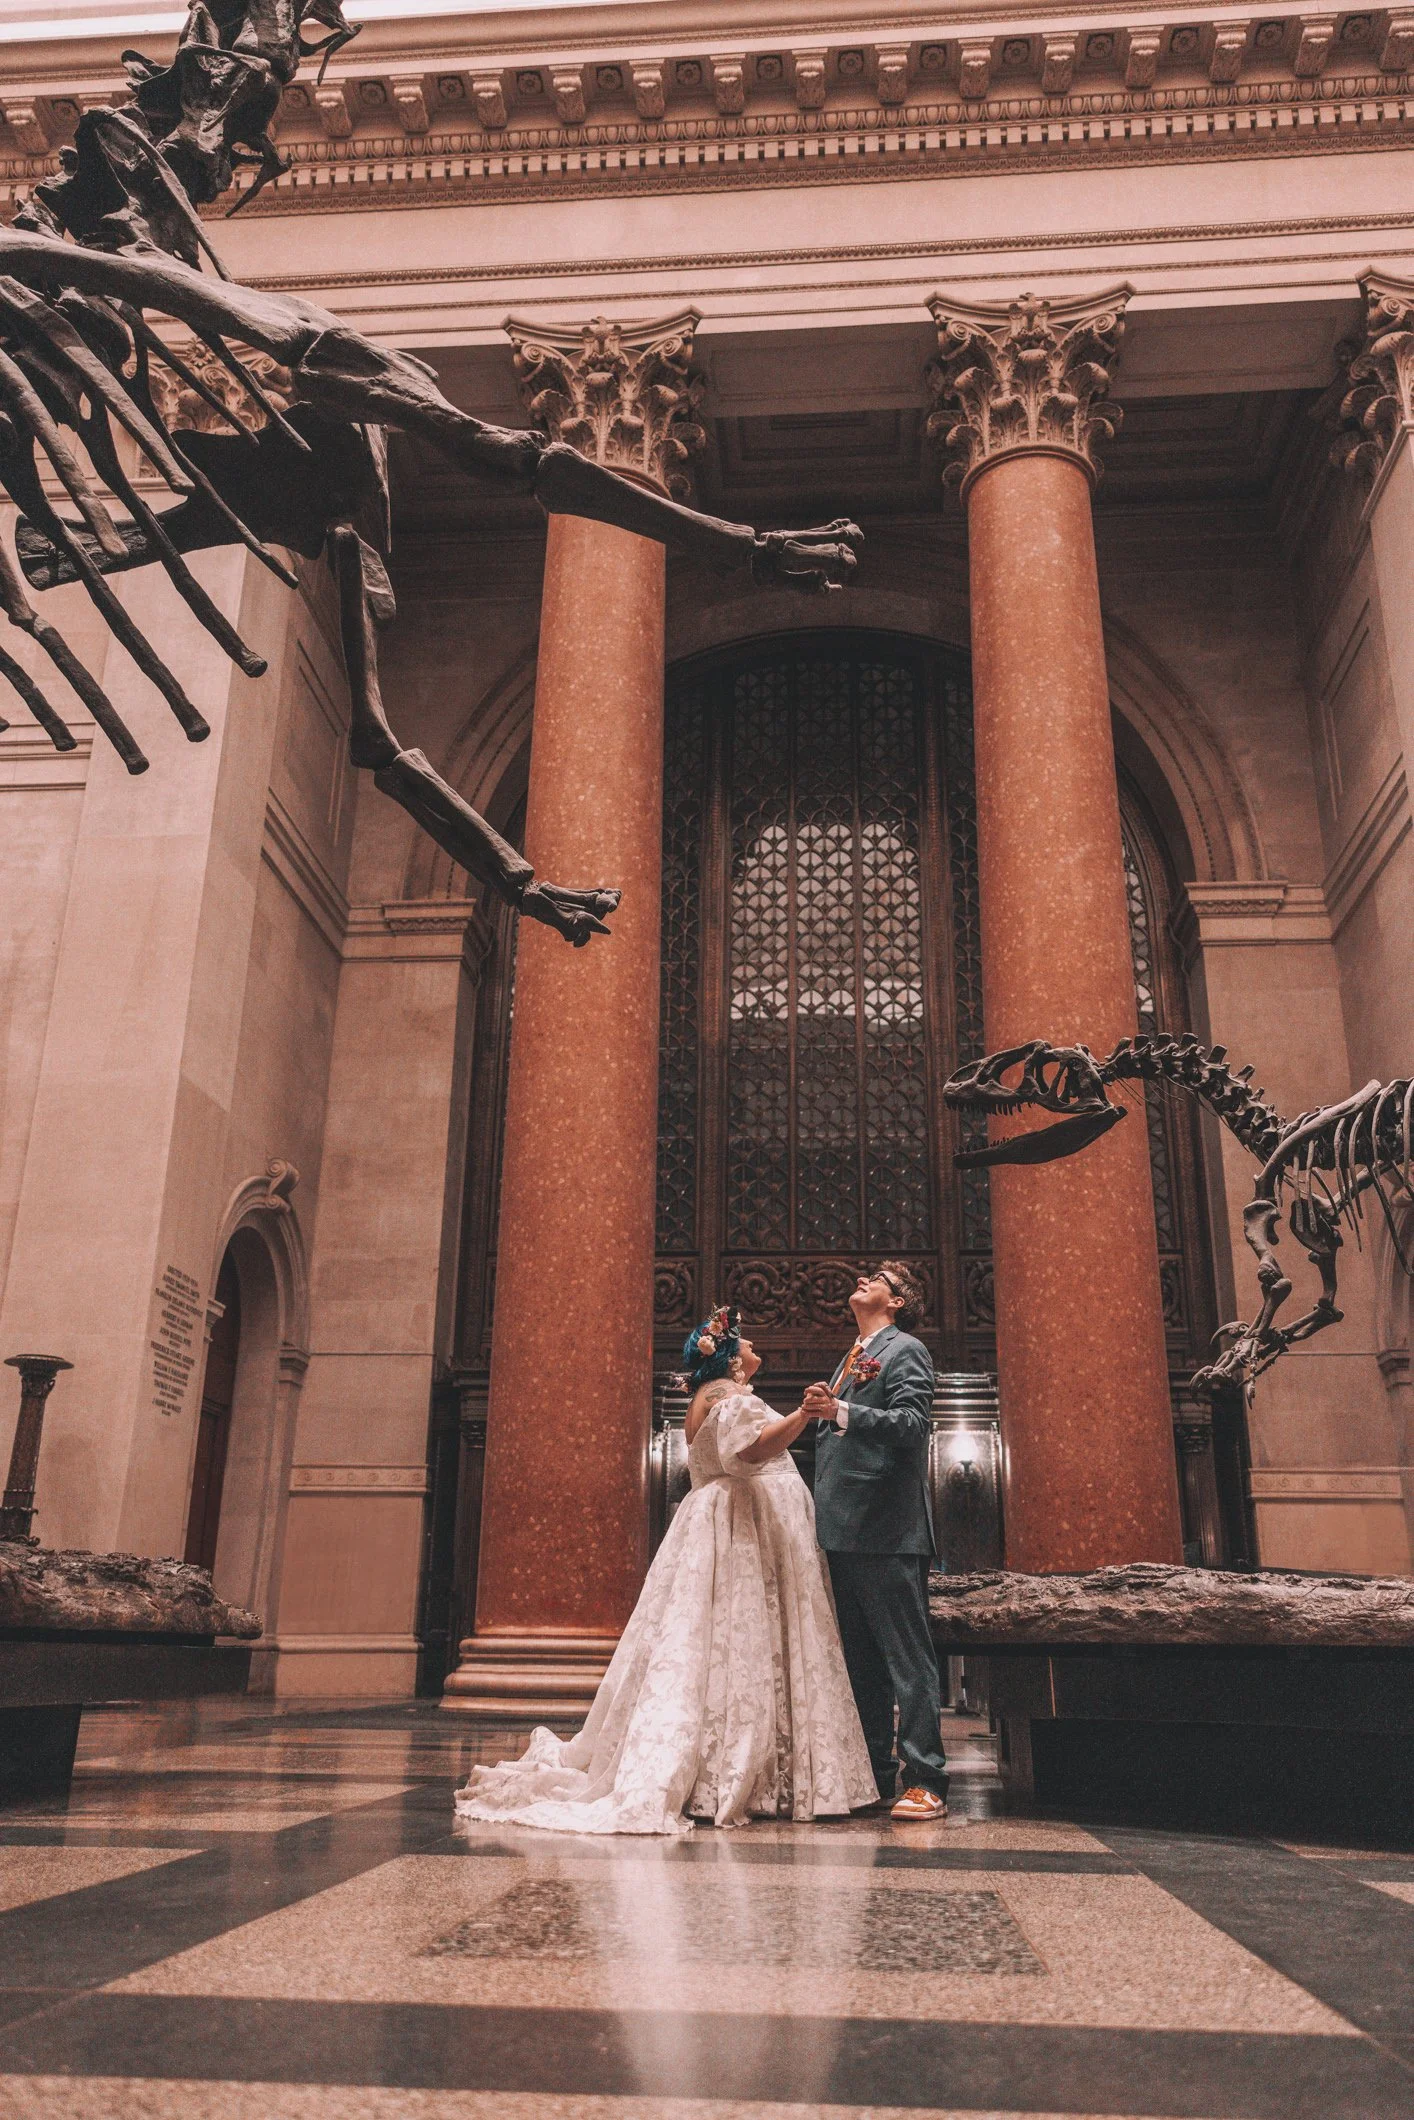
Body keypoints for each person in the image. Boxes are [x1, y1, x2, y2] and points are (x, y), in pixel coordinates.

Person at [455, 1307, 877, 1835]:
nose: (751, 1347)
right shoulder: (728, 1395)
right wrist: (802, 1418)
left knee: (711, 1645)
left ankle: (728, 1767)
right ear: (730, 1359)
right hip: (734, 1532)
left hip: (723, 1524)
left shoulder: (711, 1397)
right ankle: (724, 1770)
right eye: (743, 1342)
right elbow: (749, 1450)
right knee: (733, 1640)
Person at [806, 1262, 950, 1821]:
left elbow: (913, 1424)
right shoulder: (853, 1354)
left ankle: (927, 1779)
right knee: (862, 1665)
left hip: (888, 1529)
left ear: (897, 1301)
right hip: (844, 1529)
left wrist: (840, 1409)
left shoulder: (905, 1348)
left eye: (879, 1276)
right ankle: (873, 1776)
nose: (865, 1277)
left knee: (907, 1660)